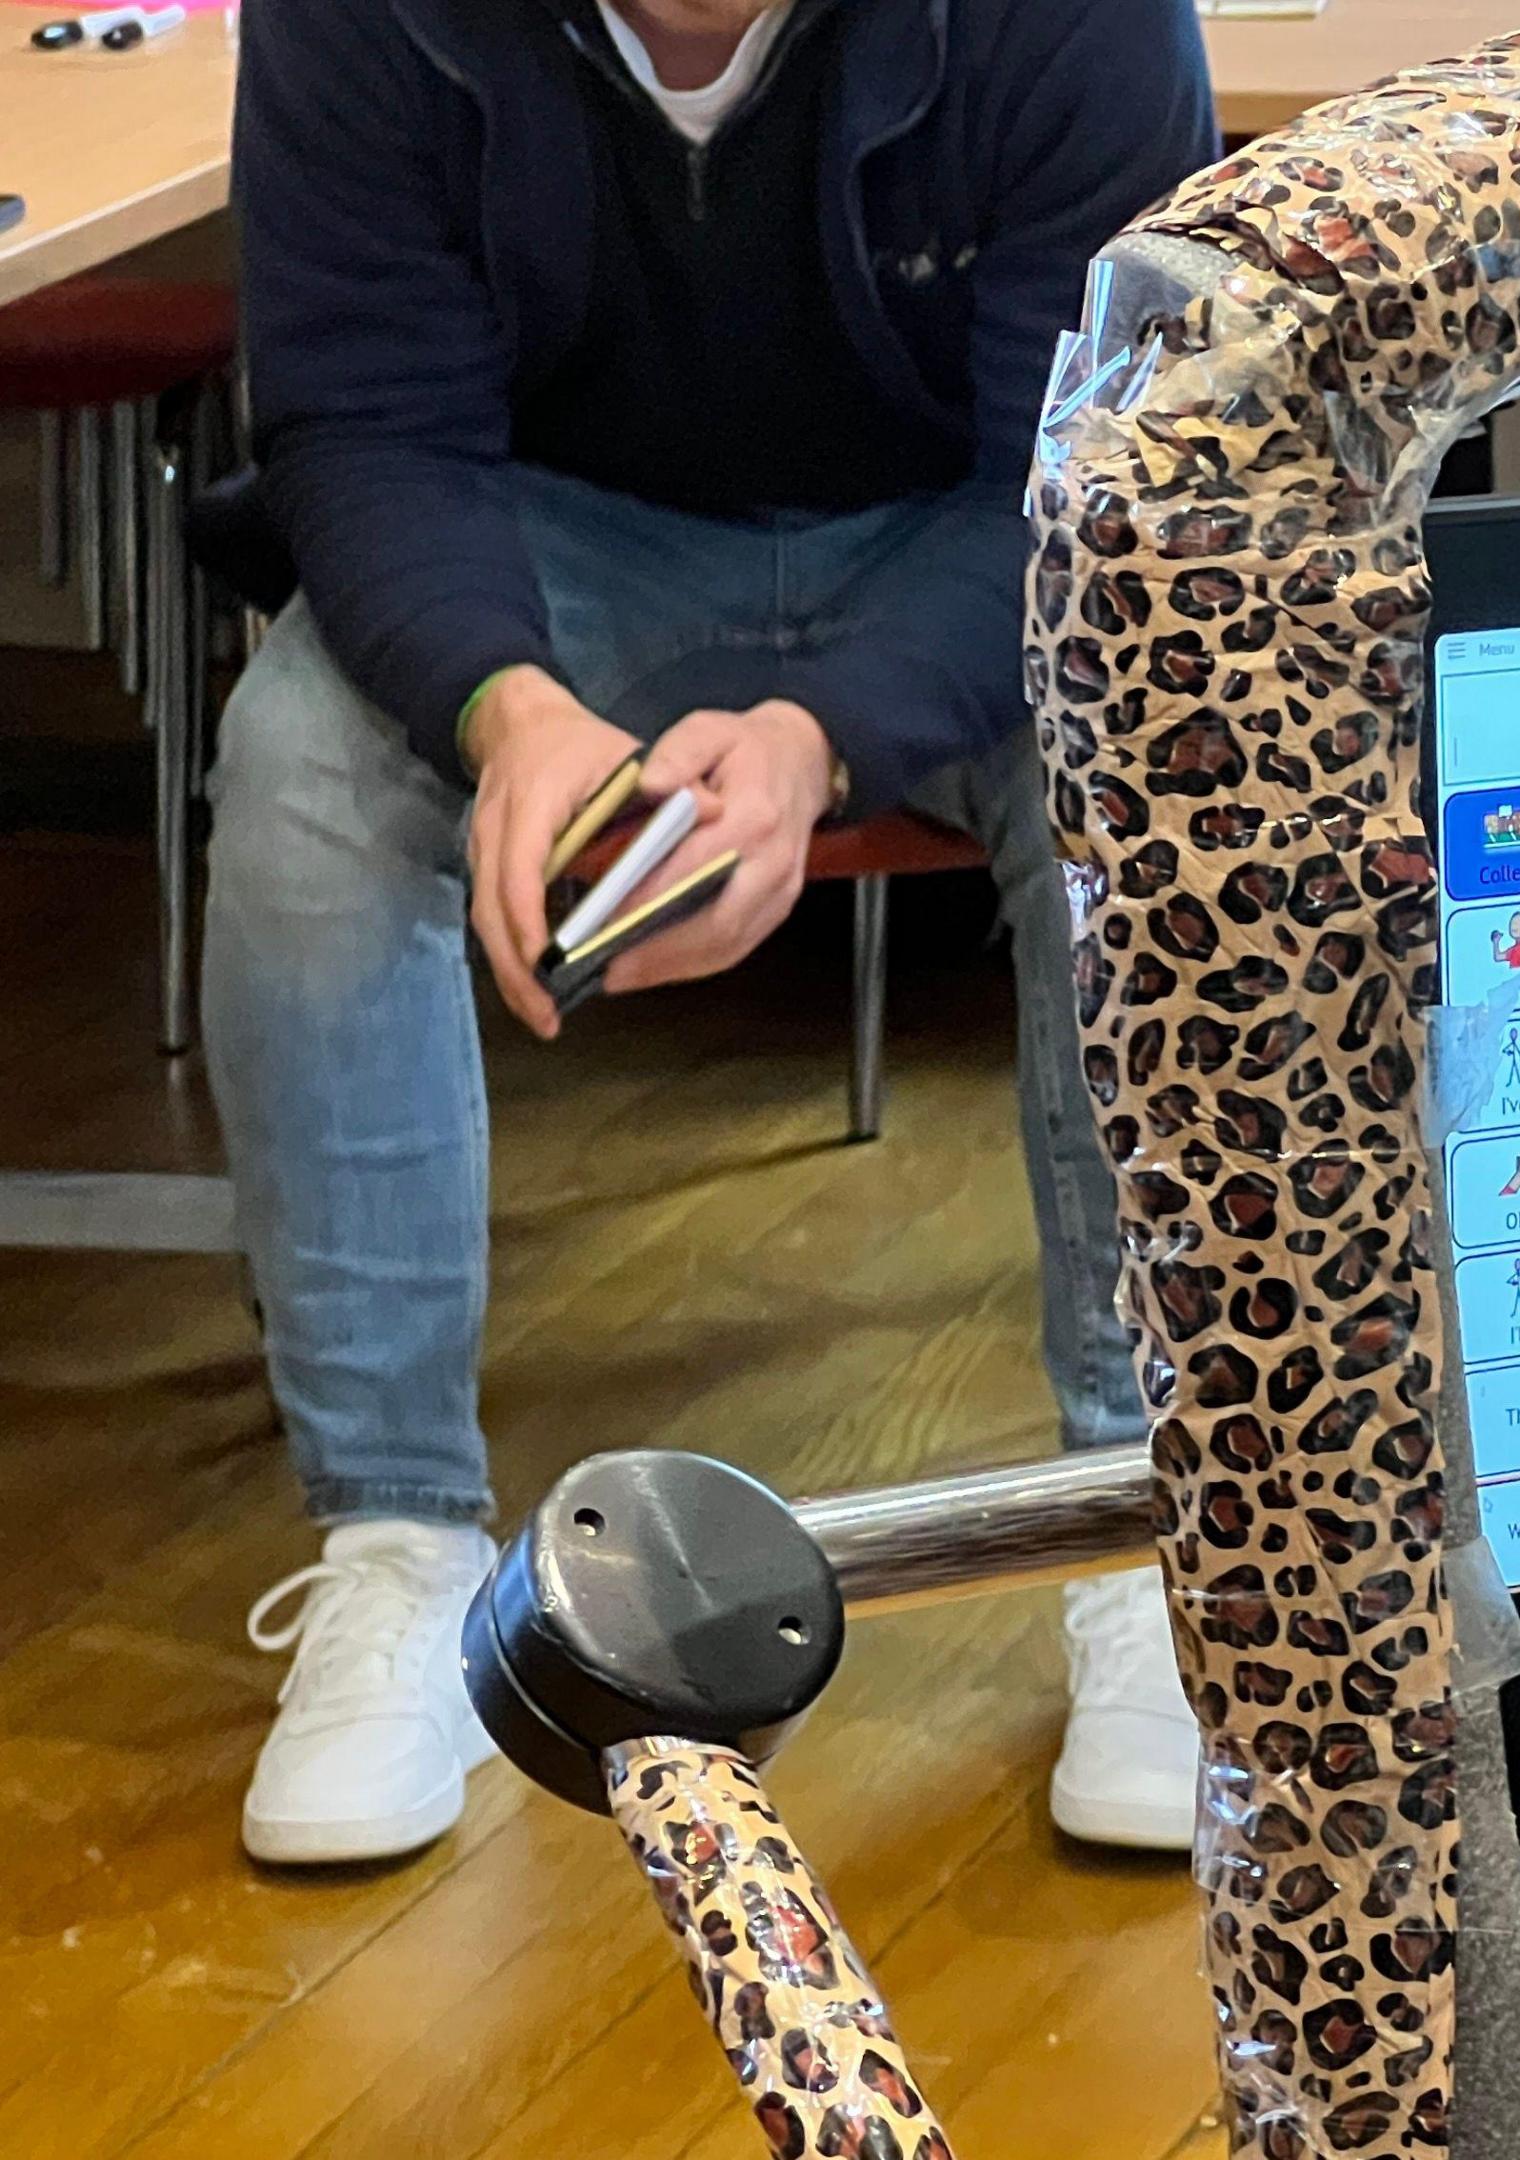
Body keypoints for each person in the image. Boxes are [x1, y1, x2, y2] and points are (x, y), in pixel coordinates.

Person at [211, 0, 1214, 1864]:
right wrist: (503, 706)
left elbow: (1096, 462)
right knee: (302, 767)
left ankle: (1148, 1520)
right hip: (560, 537)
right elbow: (358, 418)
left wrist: (825, 740)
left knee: (1157, 759)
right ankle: (396, 1547)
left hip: (966, 524)